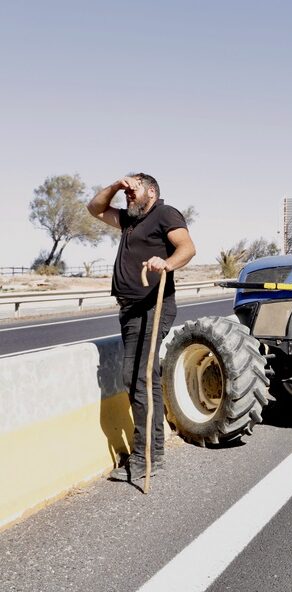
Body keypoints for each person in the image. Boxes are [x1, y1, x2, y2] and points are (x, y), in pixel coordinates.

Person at [87, 173, 196, 482]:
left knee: (139, 378)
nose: (128, 197)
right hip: (130, 311)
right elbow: (94, 209)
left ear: (151, 191)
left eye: (134, 191)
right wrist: (115, 187)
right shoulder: (129, 219)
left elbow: (187, 247)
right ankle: (150, 453)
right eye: (126, 193)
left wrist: (167, 264)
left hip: (153, 308)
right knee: (141, 379)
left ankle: (147, 457)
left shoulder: (165, 213)